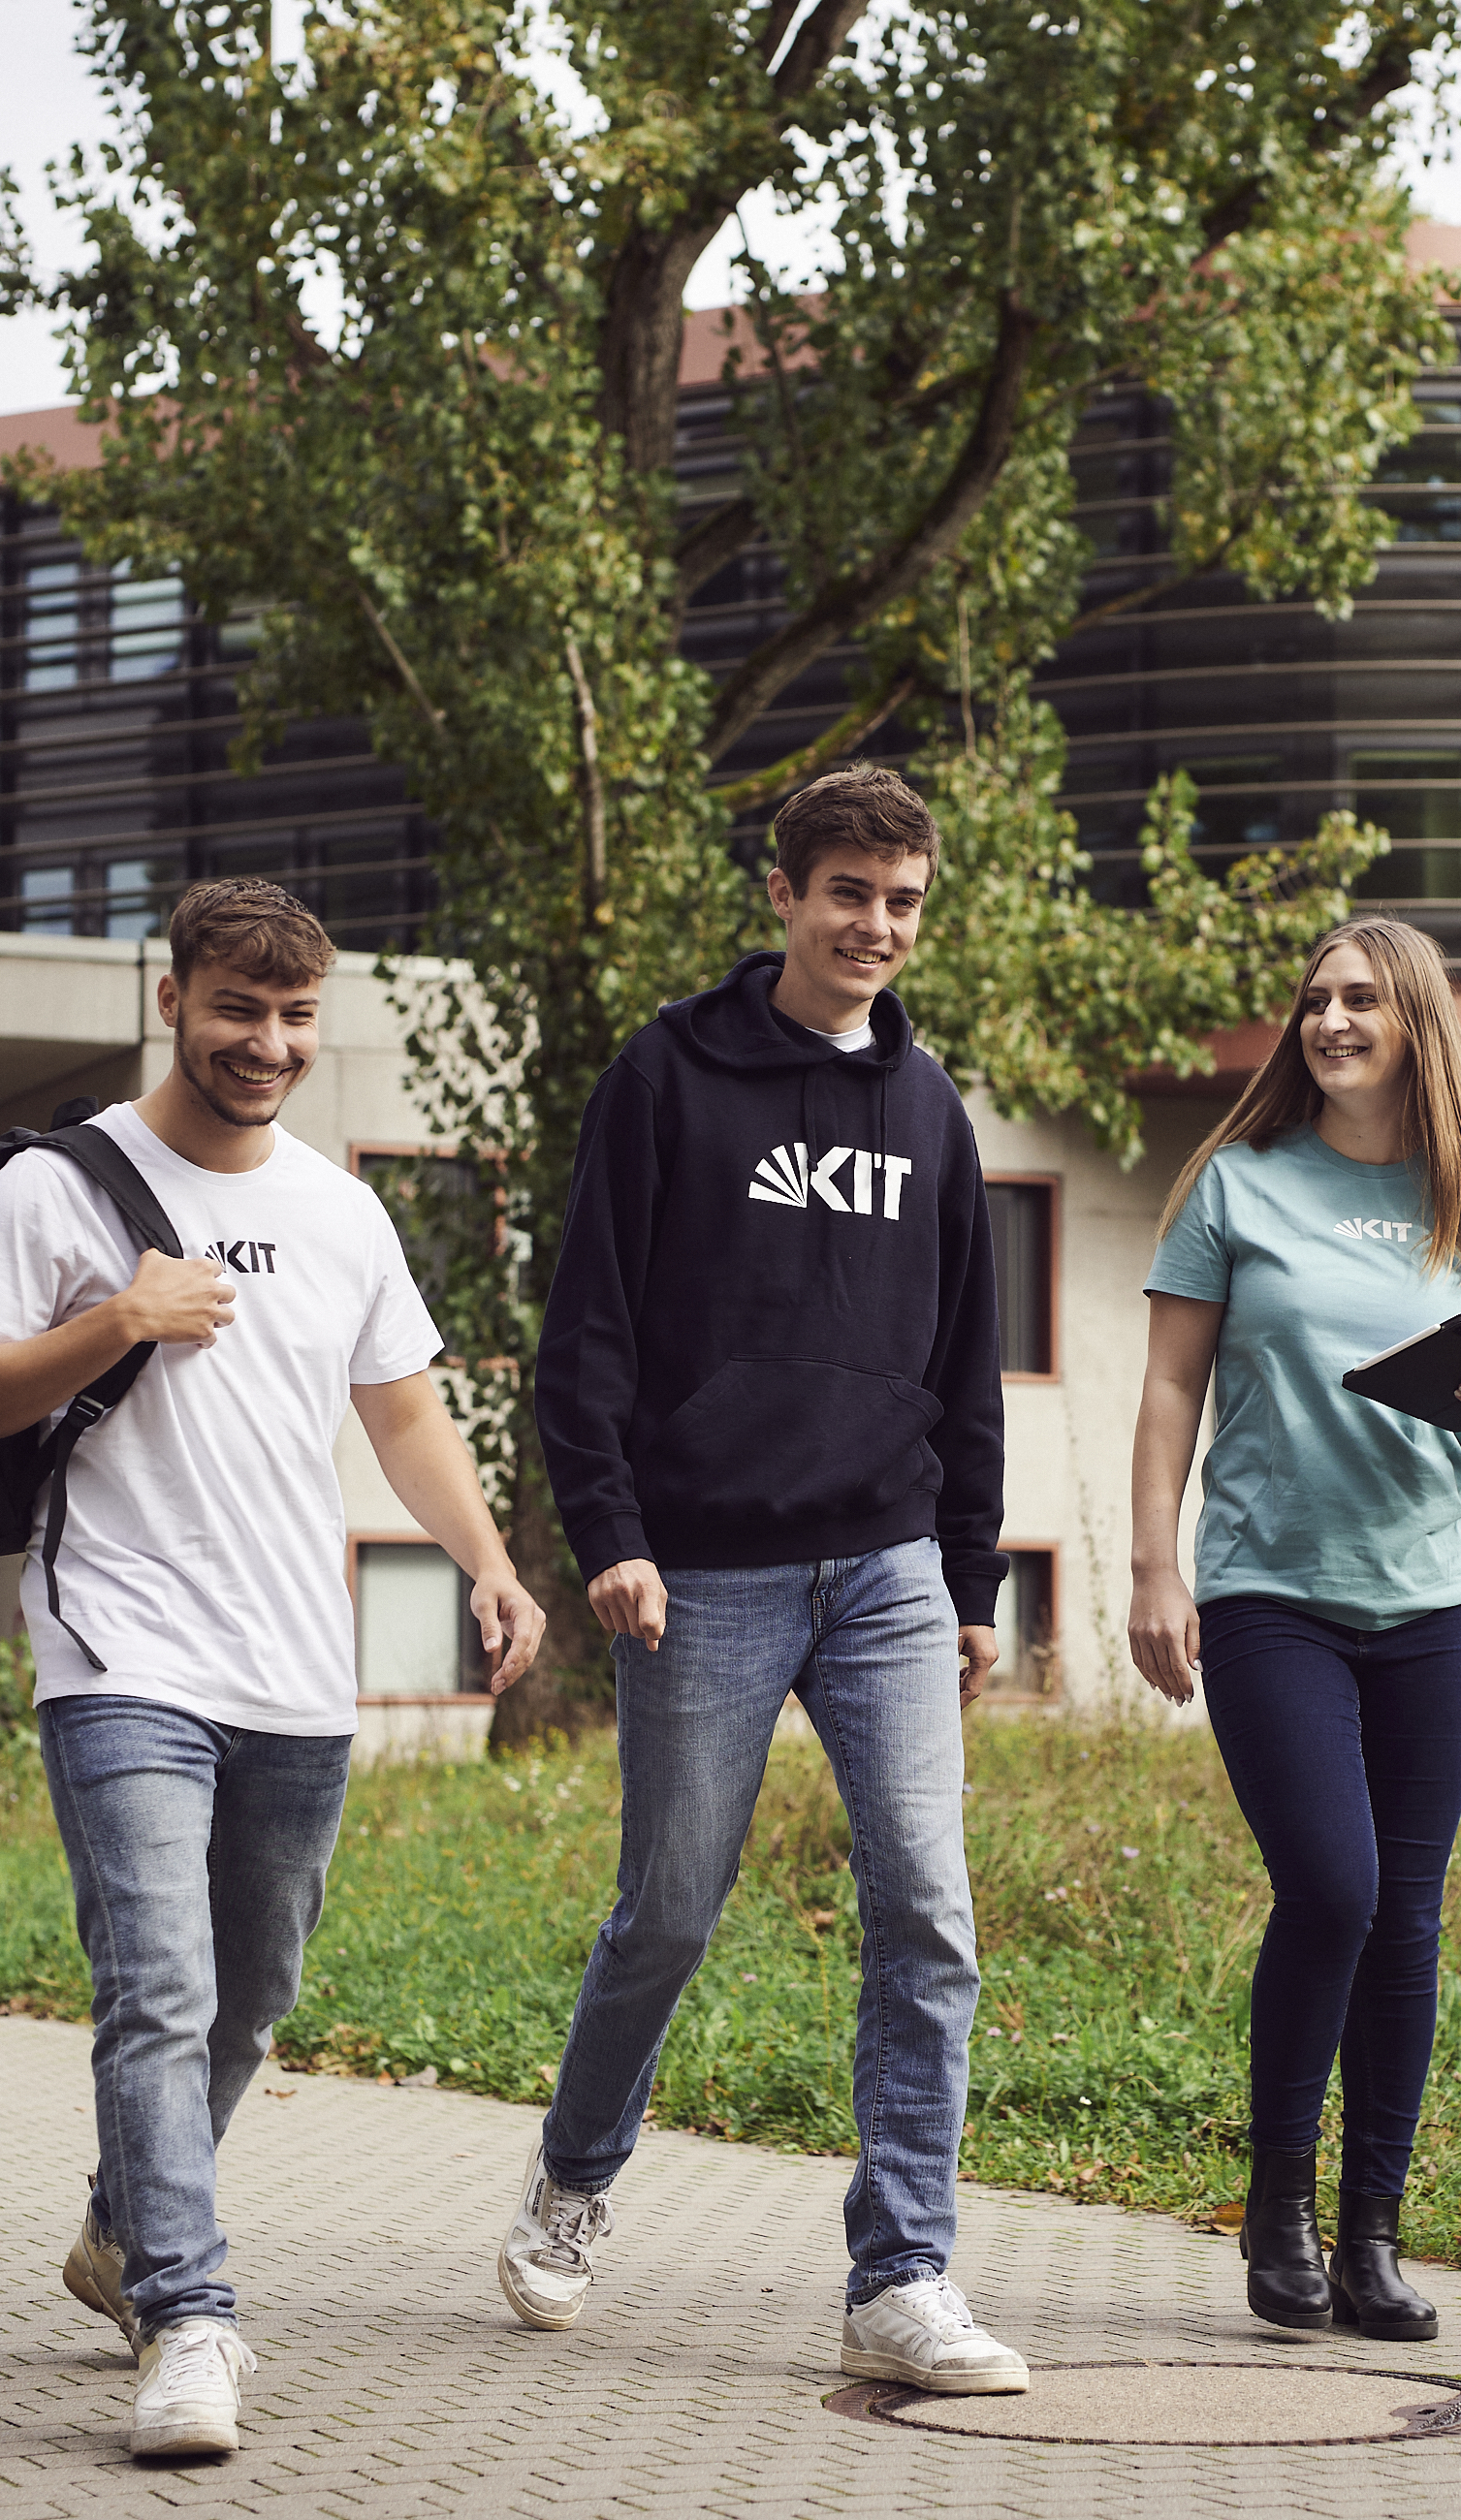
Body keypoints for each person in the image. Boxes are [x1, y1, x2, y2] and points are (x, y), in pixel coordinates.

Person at [0, 877, 547, 2458]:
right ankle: (188, 2320)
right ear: (171, 1000)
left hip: (293, 1671)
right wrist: (114, 1321)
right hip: (118, 1650)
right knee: (160, 1988)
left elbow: (403, 1415)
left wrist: (486, 1559)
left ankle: (122, 2223)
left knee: (252, 1995)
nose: (266, 1043)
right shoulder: (58, 1191)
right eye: (236, 1010)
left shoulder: (343, 1212)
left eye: (293, 1016)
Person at [506, 763, 1027, 2394]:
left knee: (928, 1914)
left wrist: (974, 1583)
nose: (877, 926)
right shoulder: (667, 1078)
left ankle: (903, 2277)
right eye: (850, 894)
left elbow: (968, 1372)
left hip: (884, 1571)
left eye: (905, 902)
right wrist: (614, 1535)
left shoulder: (931, 1111)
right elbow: (584, 1334)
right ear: (788, 895)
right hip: (705, 1572)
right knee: (668, 1911)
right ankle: (576, 2177)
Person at [1124, 914, 1461, 2344]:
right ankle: (1278, 2211)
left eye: (1362, 999)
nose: (1331, 1020)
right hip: (1266, 1593)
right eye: (1316, 999)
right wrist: (1152, 1570)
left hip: (1431, 1604)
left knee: (1410, 1919)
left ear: (1417, 1022)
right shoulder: (1238, 1185)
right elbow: (1172, 1392)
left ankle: (1372, 2237)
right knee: (1335, 1888)